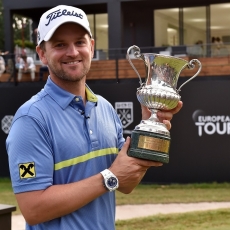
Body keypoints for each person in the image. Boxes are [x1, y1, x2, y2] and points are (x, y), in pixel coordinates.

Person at [6, 5, 183, 230]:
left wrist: (149, 129)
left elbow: (126, 183)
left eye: (80, 42)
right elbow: (33, 209)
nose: (72, 52)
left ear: (91, 46)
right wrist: (108, 177)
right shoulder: (31, 119)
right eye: (60, 44)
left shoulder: (105, 109)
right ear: (42, 54)